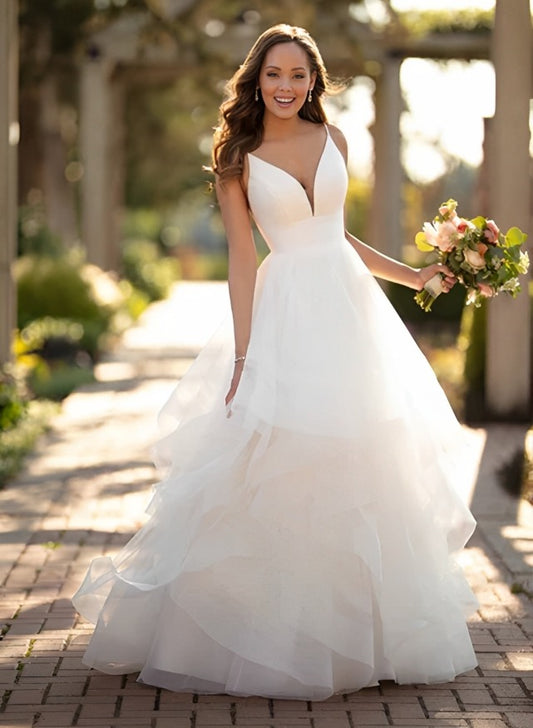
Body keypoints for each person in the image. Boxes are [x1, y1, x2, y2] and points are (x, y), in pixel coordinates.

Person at [72, 24, 478, 701]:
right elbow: (241, 256)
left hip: (349, 313)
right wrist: (243, 353)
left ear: (314, 81)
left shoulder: (334, 139)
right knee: (278, 460)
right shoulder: (239, 153)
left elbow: (338, 236)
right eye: (273, 75)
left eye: (297, 74)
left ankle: (367, 639)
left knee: (362, 460)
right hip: (285, 310)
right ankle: (272, 639)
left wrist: (418, 276)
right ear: (255, 82)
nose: (285, 86)